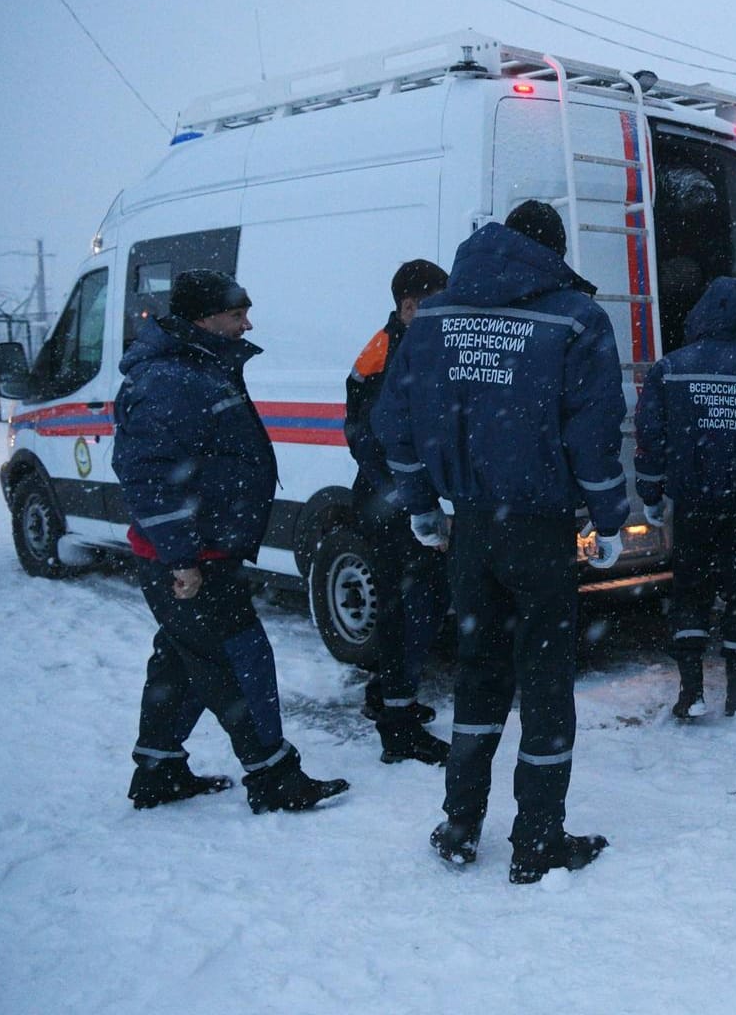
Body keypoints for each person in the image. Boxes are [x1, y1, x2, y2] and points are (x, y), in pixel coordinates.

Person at [374, 200, 629, 884]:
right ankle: (537, 840)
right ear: (554, 250)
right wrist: (608, 519)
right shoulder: (575, 320)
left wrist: (424, 507)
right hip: (540, 530)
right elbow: (594, 433)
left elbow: (394, 423)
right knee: (545, 682)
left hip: (471, 530)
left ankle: (460, 823)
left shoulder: (430, 319)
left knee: (479, 673)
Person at [115, 269, 351, 814]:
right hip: (190, 555)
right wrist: (182, 558)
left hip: (202, 547)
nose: (248, 322)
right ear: (203, 319)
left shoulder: (197, 366)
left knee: (183, 661)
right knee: (240, 658)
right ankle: (274, 778)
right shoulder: (171, 380)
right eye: (237, 312)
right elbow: (146, 475)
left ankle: (158, 769)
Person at [633, 277, 736, 719]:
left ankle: (691, 692)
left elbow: (650, 437)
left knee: (691, 594)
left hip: (691, 506)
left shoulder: (671, 368)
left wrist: (650, 494)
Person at [343, 258, 452, 765]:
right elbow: (369, 437)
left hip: (395, 499)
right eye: (435, 299)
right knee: (410, 608)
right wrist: (409, 500)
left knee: (413, 604)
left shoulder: (400, 343)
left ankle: (388, 696)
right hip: (390, 504)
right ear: (409, 306)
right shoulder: (387, 353)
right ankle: (398, 727)